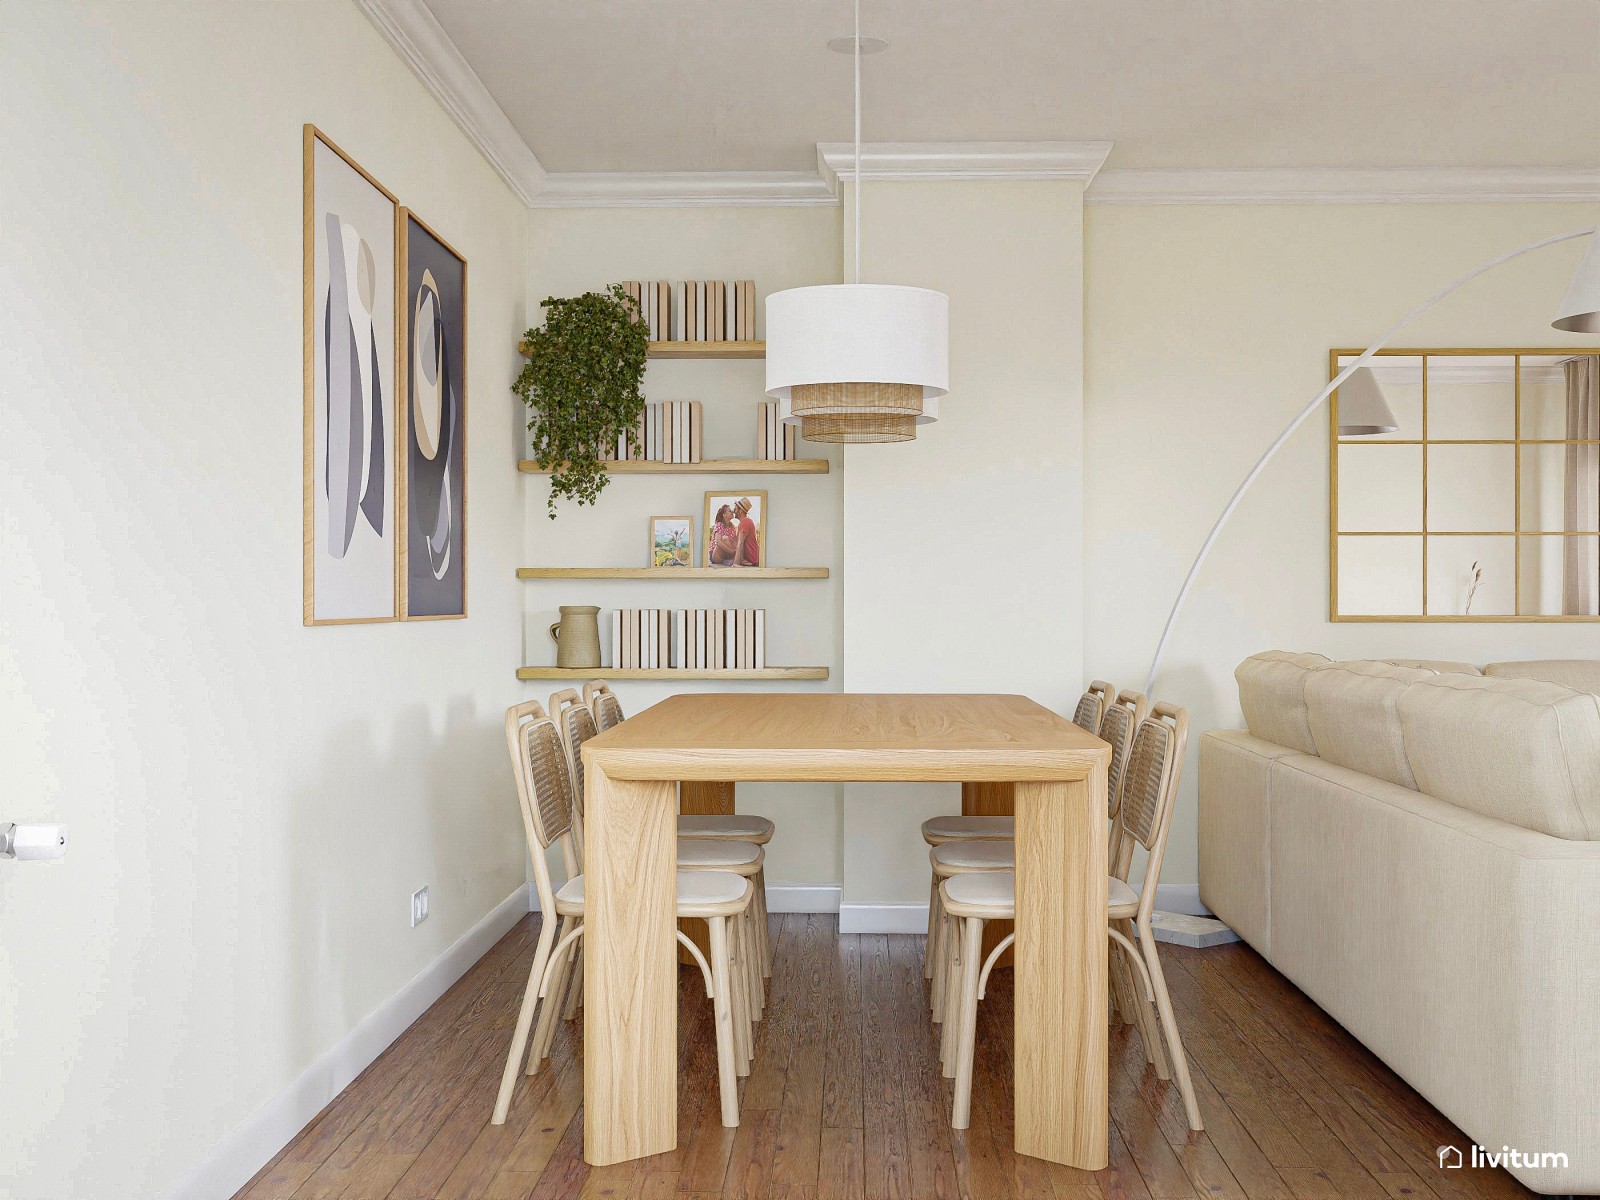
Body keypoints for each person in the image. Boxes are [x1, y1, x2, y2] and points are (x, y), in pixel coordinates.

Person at [732, 496, 760, 567]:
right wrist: (741, 559)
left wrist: (736, 563)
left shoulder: (746, 521)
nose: (733, 510)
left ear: (740, 511)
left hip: (753, 560)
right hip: (748, 560)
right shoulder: (742, 523)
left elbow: (740, 543)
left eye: (735, 509)